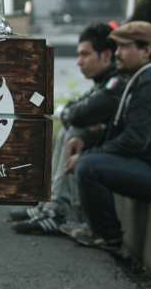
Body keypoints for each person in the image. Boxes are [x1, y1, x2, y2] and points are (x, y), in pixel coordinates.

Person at [63, 21, 151, 251]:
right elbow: (118, 130)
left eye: (124, 47)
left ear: (146, 50)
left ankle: (108, 235)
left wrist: (87, 155)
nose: (117, 54)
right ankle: (96, 227)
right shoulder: (140, 78)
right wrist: (87, 139)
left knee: (89, 167)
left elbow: (134, 140)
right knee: (88, 160)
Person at [8, 23, 129, 234]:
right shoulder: (105, 81)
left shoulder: (116, 84)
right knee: (71, 128)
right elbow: (75, 108)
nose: (79, 61)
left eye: (85, 54)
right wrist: (72, 115)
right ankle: (49, 204)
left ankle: (58, 211)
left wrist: (73, 116)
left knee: (75, 129)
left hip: (127, 151)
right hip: (113, 145)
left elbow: (77, 114)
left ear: (107, 55)